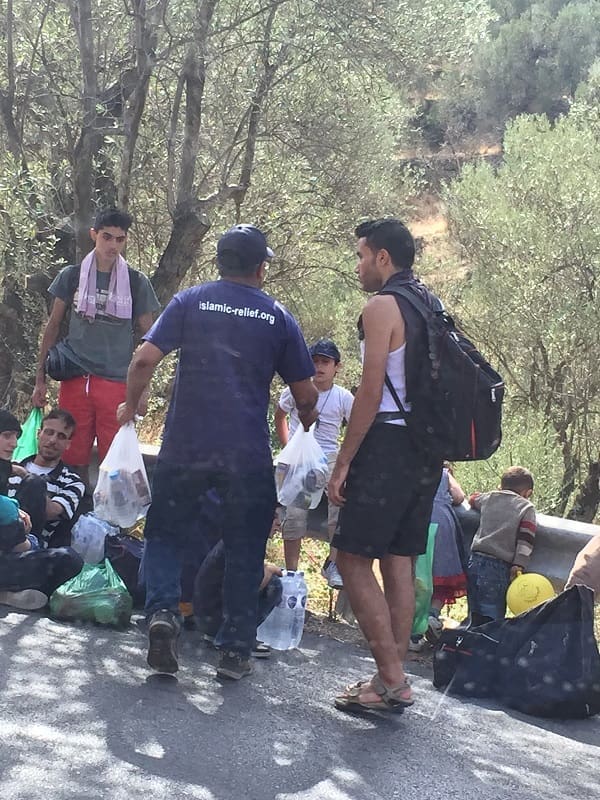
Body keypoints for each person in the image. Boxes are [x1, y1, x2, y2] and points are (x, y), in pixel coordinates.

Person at [117, 223, 318, 680]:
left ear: (219, 262)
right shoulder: (277, 316)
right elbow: (305, 395)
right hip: (244, 453)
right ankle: (234, 650)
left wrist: (131, 406)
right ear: (261, 267)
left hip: (185, 445)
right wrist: (308, 423)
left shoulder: (190, 301)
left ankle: (163, 613)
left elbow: (144, 359)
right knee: (245, 549)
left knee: (166, 533)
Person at [328, 218, 444, 713]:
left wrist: (343, 461)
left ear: (382, 258)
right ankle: (387, 679)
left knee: (351, 556)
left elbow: (370, 391)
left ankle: (394, 680)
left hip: (389, 446)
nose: (356, 266)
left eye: (360, 255)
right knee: (398, 559)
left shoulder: (382, 307)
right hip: (426, 451)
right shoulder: (429, 303)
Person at [31, 208, 160, 484]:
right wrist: (39, 380)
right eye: (107, 237)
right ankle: (71, 514)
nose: (113, 245)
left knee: (114, 461)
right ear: (94, 235)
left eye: (120, 239)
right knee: (70, 456)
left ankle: (109, 521)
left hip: (116, 382)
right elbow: (52, 326)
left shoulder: (137, 282)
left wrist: (143, 391)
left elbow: (151, 338)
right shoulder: (72, 275)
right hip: (76, 377)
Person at [275, 338, 353, 588]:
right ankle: (291, 573)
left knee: (338, 510)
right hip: (301, 458)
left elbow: (355, 428)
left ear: (336, 367)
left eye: (325, 362)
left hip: (329, 457)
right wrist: (289, 446)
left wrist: (346, 462)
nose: (319, 367)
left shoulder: (343, 397)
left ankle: (333, 564)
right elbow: (280, 415)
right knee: (295, 514)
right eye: (315, 361)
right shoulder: (296, 389)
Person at [193, 539, 283, 666]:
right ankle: (239, 640)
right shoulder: (248, 540)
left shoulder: (234, 536)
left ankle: (222, 634)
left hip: (205, 614)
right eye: (274, 519)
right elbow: (248, 589)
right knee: (274, 584)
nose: (278, 523)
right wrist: (269, 571)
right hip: (214, 616)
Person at [467, 466, 537, 626]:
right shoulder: (526, 508)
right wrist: (519, 564)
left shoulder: (490, 497)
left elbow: (473, 499)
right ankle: (487, 647)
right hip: (498, 566)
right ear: (528, 493)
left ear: (501, 486)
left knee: (474, 610)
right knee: (492, 614)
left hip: (475, 560)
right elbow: (525, 540)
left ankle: (469, 643)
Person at [7, 409, 85, 547]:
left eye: (61, 436)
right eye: (49, 432)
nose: (53, 440)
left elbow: (51, 512)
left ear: (68, 444)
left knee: (71, 559)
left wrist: (26, 476)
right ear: (39, 434)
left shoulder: (73, 482)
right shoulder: (11, 468)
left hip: (31, 548)